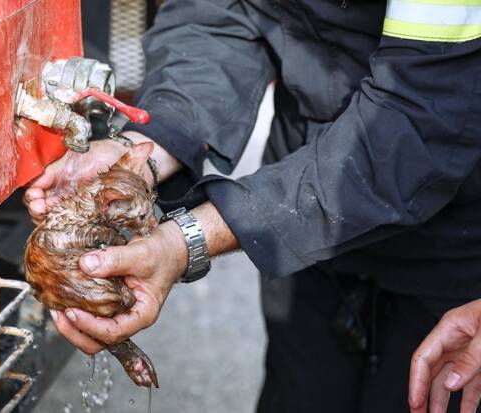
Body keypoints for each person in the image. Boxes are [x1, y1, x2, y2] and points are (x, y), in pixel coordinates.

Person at [24, 0, 481, 411]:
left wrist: (189, 239)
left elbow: (414, 122)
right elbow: (220, 15)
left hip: (461, 250)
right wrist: (142, 156)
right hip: (309, 222)